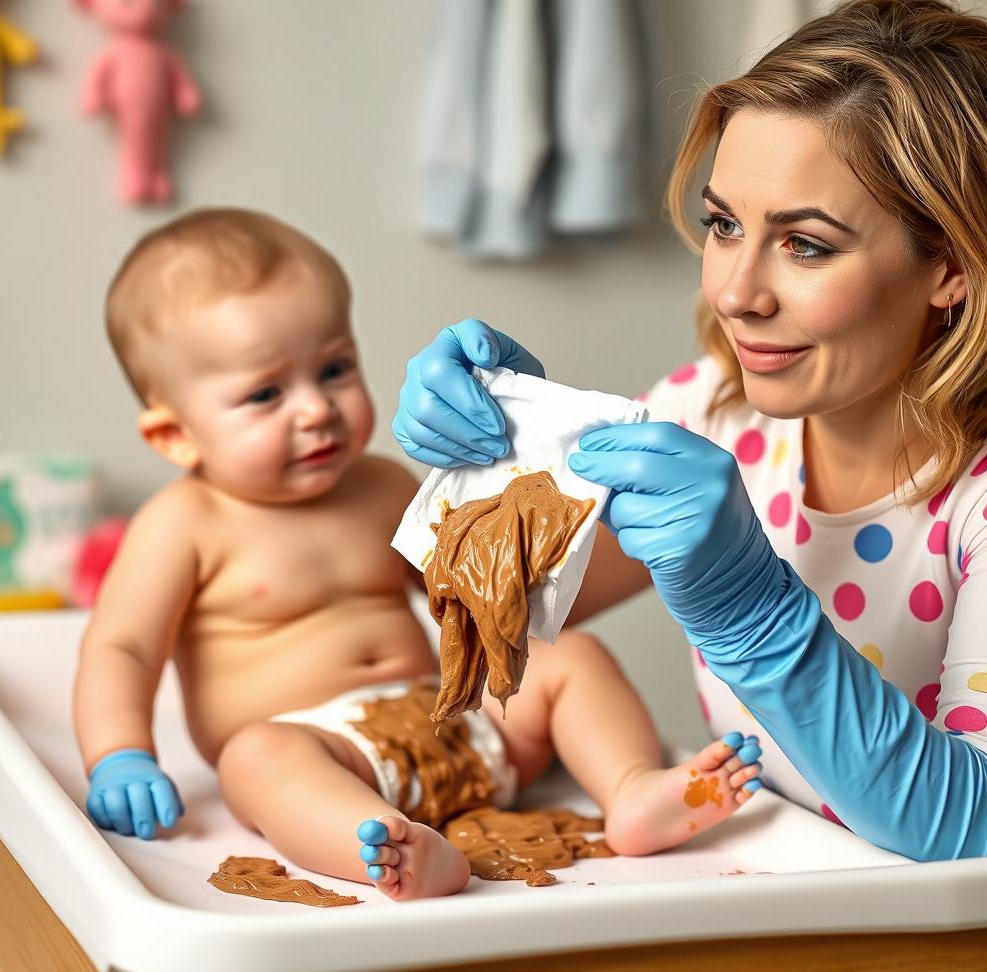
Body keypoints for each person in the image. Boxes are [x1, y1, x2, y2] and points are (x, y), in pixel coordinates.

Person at [392, 0, 987, 862]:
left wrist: (755, 617)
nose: (737, 293)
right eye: (724, 225)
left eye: (807, 245)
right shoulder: (713, 410)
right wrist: (498, 451)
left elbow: (972, 828)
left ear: (950, 265)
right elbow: (447, 614)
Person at [72, 208, 762, 903]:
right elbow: (122, 648)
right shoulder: (181, 524)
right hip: (326, 751)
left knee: (568, 658)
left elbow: (470, 594)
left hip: (450, 720)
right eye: (266, 393)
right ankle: (386, 841)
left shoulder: (382, 486)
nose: (315, 409)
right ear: (173, 435)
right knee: (253, 758)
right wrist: (120, 756)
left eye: (335, 369)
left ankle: (631, 788)